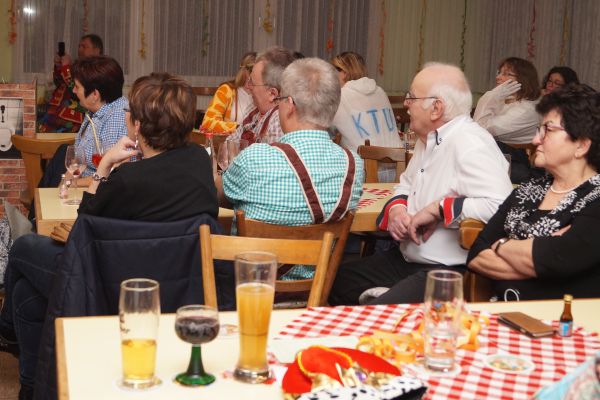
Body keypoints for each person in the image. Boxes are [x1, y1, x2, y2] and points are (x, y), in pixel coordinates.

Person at [0, 72, 218, 398]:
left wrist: (104, 167)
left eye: (130, 113)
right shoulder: (200, 161)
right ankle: (29, 384)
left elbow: (81, 237)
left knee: (23, 246)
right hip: (179, 283)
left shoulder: (127, 179)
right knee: (26, 295)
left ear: (138, 126)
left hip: (110, 286)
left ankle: (8, 336)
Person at [328, 62, 513, 305]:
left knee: (378, 311)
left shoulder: (470, 142)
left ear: (436, 108)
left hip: (446, 271)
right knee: (332, 282)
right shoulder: (428, 139)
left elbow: (502, 206)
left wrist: (438, 210)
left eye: (412, 97)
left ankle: (389, 306)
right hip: (407, 260)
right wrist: (397, 210)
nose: (406, 103)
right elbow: (405, 184)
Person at [221, 57, 364, 279]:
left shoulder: (254, 159)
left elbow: (218, 194)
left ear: (289, 104)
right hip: (317, 291)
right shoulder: (354, 165)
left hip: (252, 289)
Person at [467, 84, 600, 301]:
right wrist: (539, 258)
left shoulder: (595, 197)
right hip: (500, 311)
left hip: (560, 318)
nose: (535, 140)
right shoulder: (530, 188)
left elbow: (559, 260)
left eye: (548, 130)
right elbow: (476, 254)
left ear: (581, 145)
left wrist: (501, 244)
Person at [331, 51, 402, 182]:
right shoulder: (380, 91)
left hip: (364, 173)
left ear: (344, 72)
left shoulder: (340, 96)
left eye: (334, 70)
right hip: (397, 169)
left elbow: (322, 129)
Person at [473, 57, 541, 183]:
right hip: (495, 157)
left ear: (523, 79)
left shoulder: (526, 109)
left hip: (515, 163)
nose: (498, 77)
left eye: (506, 74)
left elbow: (479, 130)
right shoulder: (504, 101)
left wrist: (491, 96)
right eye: (499, 72)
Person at [69, 55, 128, 182]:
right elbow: (77, 163)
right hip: (81, 185)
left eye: (77, 87)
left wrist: (72, 184)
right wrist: (64, 185)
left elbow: (111, 176)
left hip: (96, 190)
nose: (74, 90)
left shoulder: (117, 118)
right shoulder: (95, 111)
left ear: (95, 94)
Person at [227, 46, 295, 144]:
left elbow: (268, 155)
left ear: (272, 94)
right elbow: (228, 144)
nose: (248, 86)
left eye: (252, 83)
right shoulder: (253, 109)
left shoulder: (279, 120)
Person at [38, 34, 104, 133]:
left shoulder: (99, 69)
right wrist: (59, 66)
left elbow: (78, 91)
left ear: (97, 50)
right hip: (57, 111)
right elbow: (60, 83)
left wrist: (66, 68)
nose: (80, 49)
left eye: (84, 46)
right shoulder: (78, 65)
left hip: (73, 118)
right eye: (79, 46)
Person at [200, 52, 256, 133]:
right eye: (250, 71)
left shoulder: (264, 94)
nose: (252, 77)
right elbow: (208, 123)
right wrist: (239, 128)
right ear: (243, 71)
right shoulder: (226, 90)